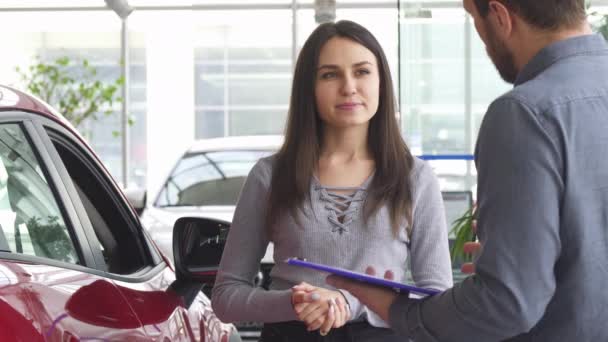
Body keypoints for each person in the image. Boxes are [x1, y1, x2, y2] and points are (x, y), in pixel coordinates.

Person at [327, 0, 608, 341]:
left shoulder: (524, 114)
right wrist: (513, 256)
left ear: (501, 16)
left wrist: (396, 309)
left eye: (475, 19)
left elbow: (507, 305)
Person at [211, 20, 453, 341]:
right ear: (308, 88)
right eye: (330, 74)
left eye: (362, 71)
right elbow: (226, 297)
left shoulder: (415, 178)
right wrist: (297, 302)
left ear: (382, 81)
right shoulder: (269, 175)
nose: (349, 86)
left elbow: (437, 298)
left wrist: (347, 302)